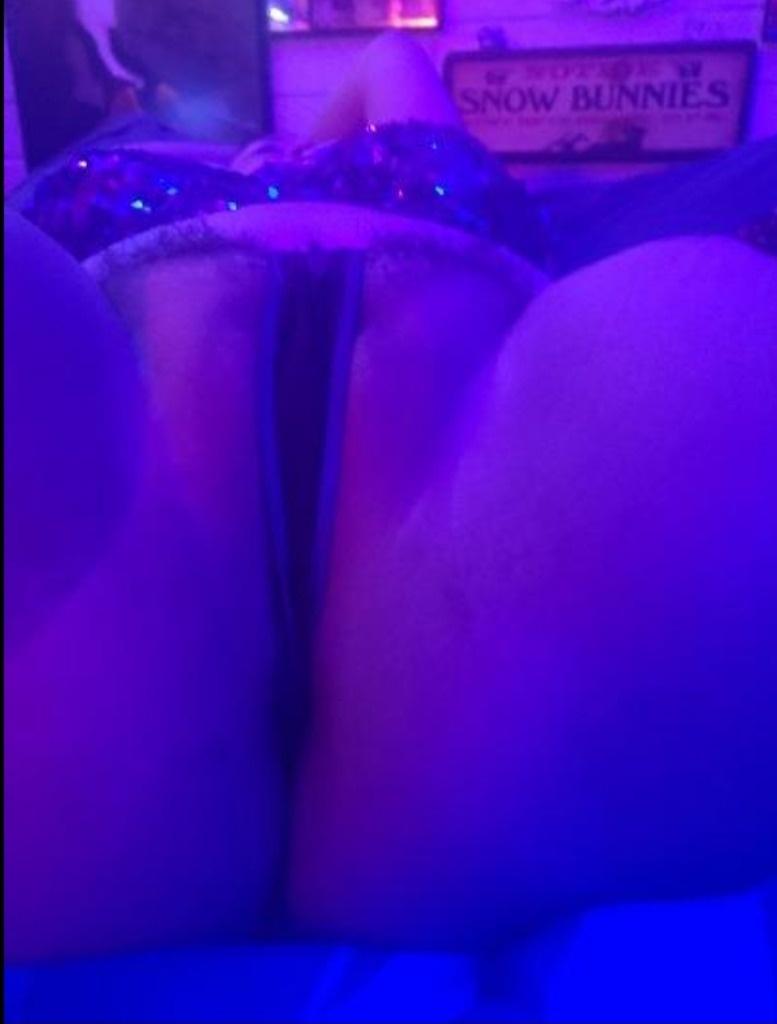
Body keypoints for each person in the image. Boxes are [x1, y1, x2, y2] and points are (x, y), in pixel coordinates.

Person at [5, 31, 777, 964]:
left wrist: (273, 150)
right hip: (119, 502)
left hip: (509, 501)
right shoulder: (152, 142)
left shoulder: (201, 162)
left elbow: (389, 58)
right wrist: (282, 152)